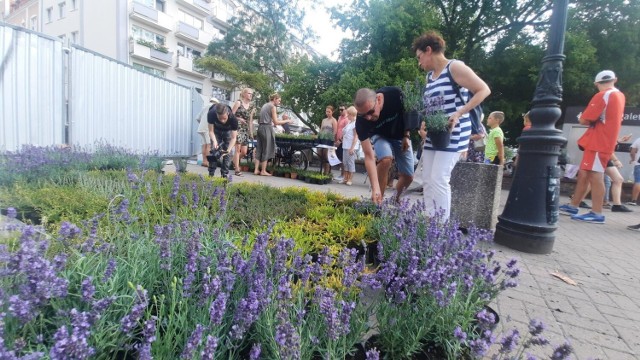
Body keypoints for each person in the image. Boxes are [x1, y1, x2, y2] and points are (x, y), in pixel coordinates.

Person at [412, 31, 491, 219]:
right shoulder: (429, 77)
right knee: (428, 178)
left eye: (419, 56)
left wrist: (459, 112)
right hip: (435, 132)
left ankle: (439, 227)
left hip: (455, 132)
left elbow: (483, 90)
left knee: (439, 178)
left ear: (429, 50)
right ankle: (429, 218)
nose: (419, 62)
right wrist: (425, 120)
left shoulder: (454, 67)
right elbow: (434, 104)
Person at [559, 70, 626, 224]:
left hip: (598, 141)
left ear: (596, 84)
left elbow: (584, 120)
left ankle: (596, 212)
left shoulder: (603, 95)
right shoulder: (620, 95)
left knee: (595, 175)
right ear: (614, 79)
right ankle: (574, 205)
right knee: (585, 173)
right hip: (602, 141)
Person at [354, 87, 414, 204]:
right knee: (386, 159)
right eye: (363, 115)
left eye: (370, 112)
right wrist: (375, 188)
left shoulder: (395, 95)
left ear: (379, 99)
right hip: (379, 135)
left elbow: (409, 112)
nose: (368, 118)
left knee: (408, 176)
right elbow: (369, 156)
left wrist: (406, 135)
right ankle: (378, 201)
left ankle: (394, 200)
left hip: (399, 136)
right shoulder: (361, 122)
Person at [255, 93, 292, 176]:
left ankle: (256, 169)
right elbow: (276, 122)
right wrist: (287, 121)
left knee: (259, 149)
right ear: (275, 99)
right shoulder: (272, 107)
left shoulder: (265, 105)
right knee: (266, 149)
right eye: (279, 100)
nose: (279, 102)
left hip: (260, 127)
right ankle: (263, 171)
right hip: (267, 128)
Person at [207, 103, 238, 179]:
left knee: (227, 153)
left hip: (228, 131)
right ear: (216, 114)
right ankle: (211, 175)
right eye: (220, 118)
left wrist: (228, 150)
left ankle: (224, 175)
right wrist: (215, 142)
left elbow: (234, 138)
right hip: (216, 131)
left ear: (227, 113)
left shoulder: (233, 119)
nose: (222, 121)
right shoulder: (211, 114)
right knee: (214, 151)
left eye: (224, 118)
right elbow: (211, 131)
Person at [231, 88, 256, 177]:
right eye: (249, 93)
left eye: (251, 94)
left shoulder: (252, 106)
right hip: (237, 128)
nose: (250, 95)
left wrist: (251, 133)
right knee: (237, 149)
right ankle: (237, 169)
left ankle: (233, 161)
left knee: (244, 152)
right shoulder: (238, 103)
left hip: (245, 129)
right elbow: (230, 115)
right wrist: (239, 118)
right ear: (244, 94)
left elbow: (250, 120)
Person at [196, 97, 218, 167]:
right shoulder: (214, 107)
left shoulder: (204, 107)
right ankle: (208, 162)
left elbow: (197, 118)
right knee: (209, 145)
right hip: (208, 128)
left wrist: (202, 124)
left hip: (201, 128)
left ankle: (204, 161)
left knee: (204, 145)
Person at [340, 106, 359, 186]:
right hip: (345, 145)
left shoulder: (355, 124)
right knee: (345, 162)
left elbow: (355, 136)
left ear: (352, 114)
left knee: (350, 163)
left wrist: (352, 148)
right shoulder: (349, 123)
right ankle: (346, 177)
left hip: (351, 146)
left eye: (348, 114)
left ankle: (350, 179)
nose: (347, 115)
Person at [318, 106, 338, 175]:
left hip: (329, 140)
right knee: (321, 154)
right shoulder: (324, 120)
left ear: (332, 112)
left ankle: (327, 171)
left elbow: (335, 131)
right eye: (326, 111)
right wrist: (319, 136)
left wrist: (333, 140)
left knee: (326, 155)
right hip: (322, 138)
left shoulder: (334, 120)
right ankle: (324, 169)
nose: (327, 113)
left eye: (329, 112)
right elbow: (321, 130)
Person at [335, 105, 350, 181]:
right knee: (339, 157)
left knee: (342, 158)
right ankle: (342, 174)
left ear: (346, 110)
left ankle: (343, 175)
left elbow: (346, 132)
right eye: (339, 110)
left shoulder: (347, 119)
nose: (340, 111)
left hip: (343, 141)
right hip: (338, 140)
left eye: (342, 109)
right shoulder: (339, 118)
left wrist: (340, 140)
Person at [627, 136, 640, 206]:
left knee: (638, 181)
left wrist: (633, 159)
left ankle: (634, 200)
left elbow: (632, 152)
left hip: (638, 164)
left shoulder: (638, 139)